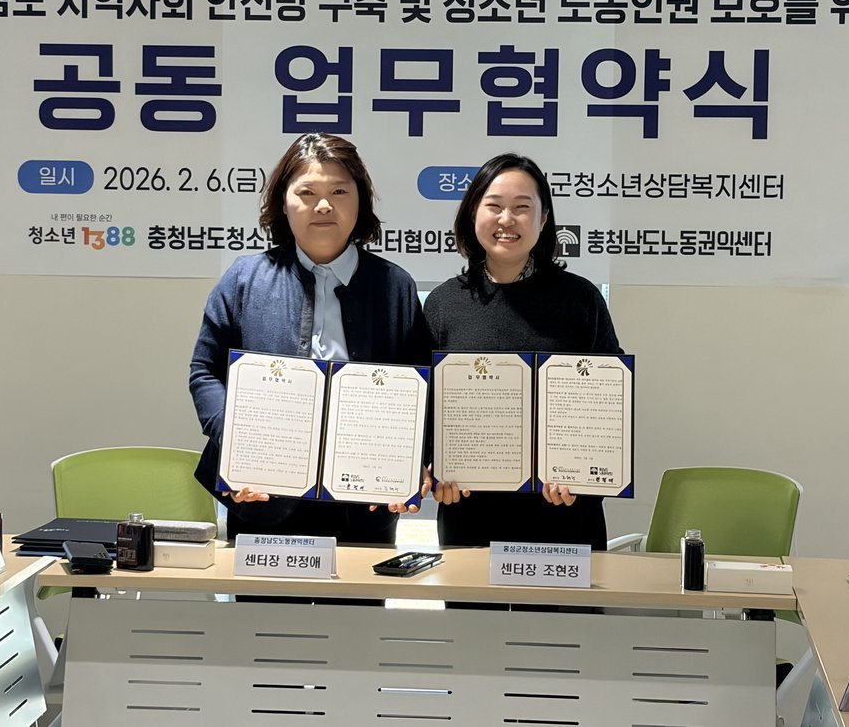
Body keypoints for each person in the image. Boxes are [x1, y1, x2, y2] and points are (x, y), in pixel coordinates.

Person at [189, 133, 430, 545]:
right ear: (283, 202)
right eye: (307, 192)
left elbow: (420, 388)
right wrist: (237, 443)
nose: (323, 205)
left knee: (357, 590)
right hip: (262, 496)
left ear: (361, 200)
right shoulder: (244, 279)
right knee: (263, 592)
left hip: (365, 503)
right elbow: (204, 372)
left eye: (339, 191)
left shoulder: (395, 286)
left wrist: (413, 464)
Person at [424, 152, 623, 550]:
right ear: (472, 213)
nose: (506, 219)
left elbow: (608, 403)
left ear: (543, 219)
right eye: (494, 206)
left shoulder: (580, 299)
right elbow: (426, 405)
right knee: (472, 596)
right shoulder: (444, 304)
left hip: (565, 516)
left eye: (521, 207)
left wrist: (583, 475)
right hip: (471, 516)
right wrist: (433, 466)